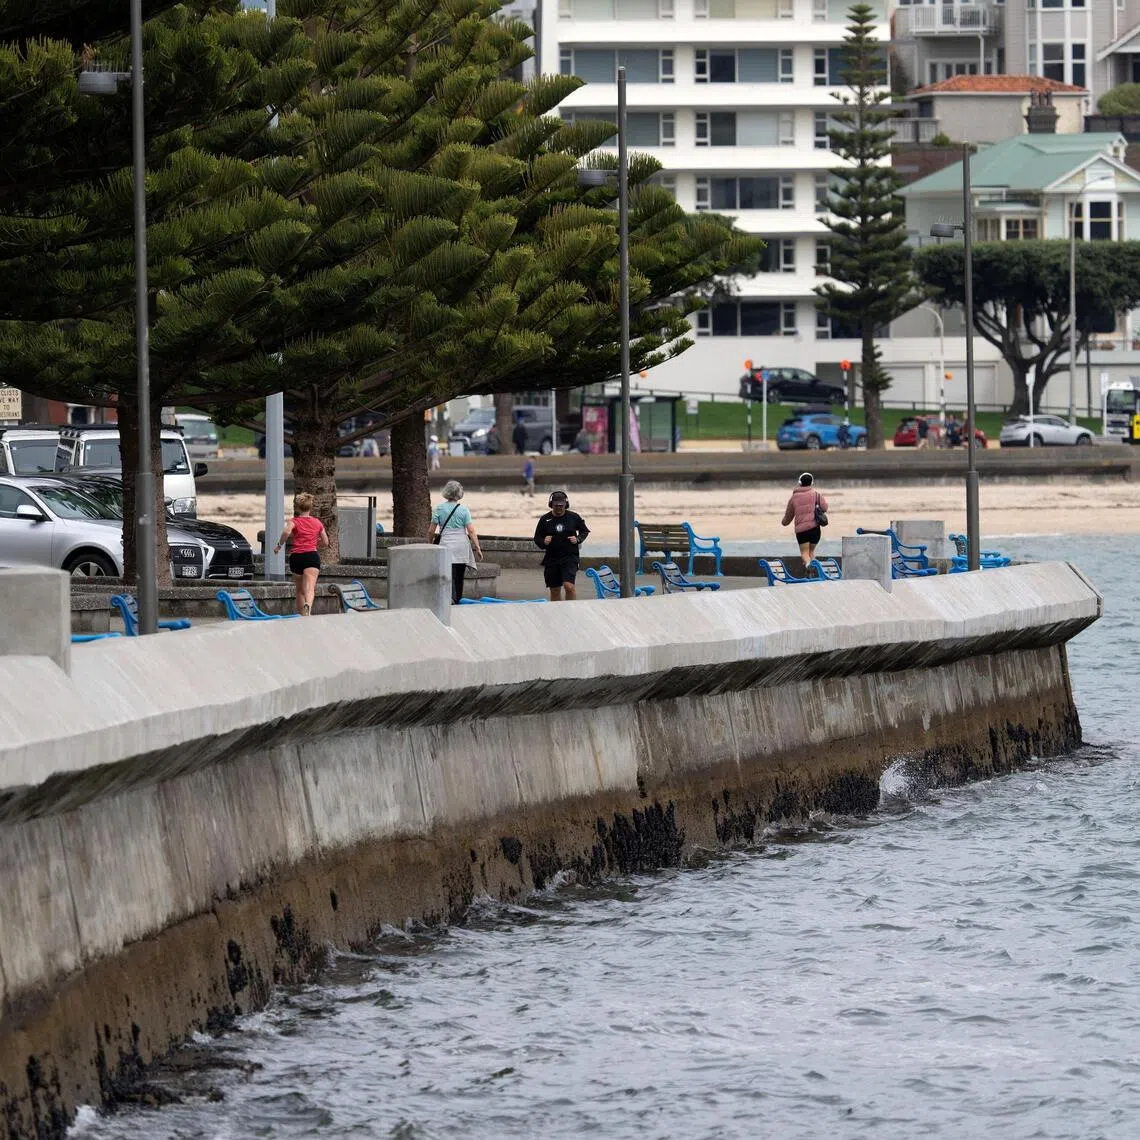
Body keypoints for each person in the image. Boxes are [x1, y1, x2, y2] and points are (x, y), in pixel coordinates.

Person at [273, 492, 329, 616]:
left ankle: (302, 615)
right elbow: (326, 542)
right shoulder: (317, 523)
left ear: (298, 507)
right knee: (310, 588)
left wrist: (279, 545)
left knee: (299, 590)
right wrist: (315, 543)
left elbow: (287, 531)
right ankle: (308, 605)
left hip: (296, 557)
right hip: (311, 556)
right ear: (311, 507)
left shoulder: (294, 521)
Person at [428, 479, 482, 605]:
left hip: (446, 544)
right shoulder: (463, 510)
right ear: (459, 494)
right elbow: (471, 531)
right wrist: (477, 547)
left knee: (448, 573)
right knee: (459, 574)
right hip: (461, 545)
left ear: (446, 492)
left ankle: (450, 597)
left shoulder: (439, 509)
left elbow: (431, 531)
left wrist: (430, 544)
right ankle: (458, 598)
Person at [534, 490, 589, 601]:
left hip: (569, 557)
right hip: (551, 558)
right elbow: (537, 538)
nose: (559, 508)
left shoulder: (573, 517)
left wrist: (578, 539)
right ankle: (558, 614)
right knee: (554, 590)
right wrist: (544, 541)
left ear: (565, 504)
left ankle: (571, 610)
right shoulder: (545, 519)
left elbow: (585, 531)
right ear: (551, 504)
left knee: (569, 586)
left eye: (561, 505)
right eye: (556, 505)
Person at [780, 472, 828, 577]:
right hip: (815, 529)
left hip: (802, 531)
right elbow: (825, 508)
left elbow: (788, 516)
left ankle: (808, 566)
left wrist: (784, 522)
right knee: (811, 552)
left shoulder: (794, 498)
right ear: (812, 482)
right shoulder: (816, 494)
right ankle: (816, 572)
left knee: (804, 553)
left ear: (799, 482)